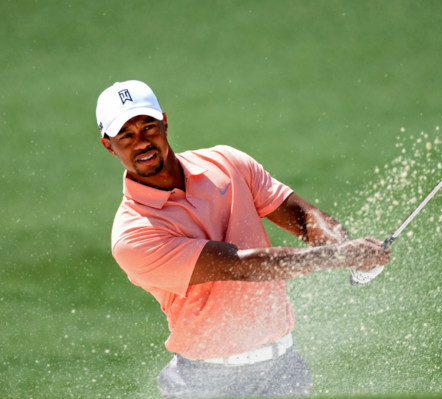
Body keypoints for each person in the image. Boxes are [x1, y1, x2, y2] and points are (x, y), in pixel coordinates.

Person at [95, 80, 390, 398]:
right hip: (206, 384)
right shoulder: (133, 235)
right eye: (126, 135)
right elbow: (238, 267)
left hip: (284, 371)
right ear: (109, 146)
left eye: (148, 127)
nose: (141, 142)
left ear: (164, 122)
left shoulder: (227, 162)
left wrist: (345, 247)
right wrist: (339, 257)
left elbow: (302, 216)